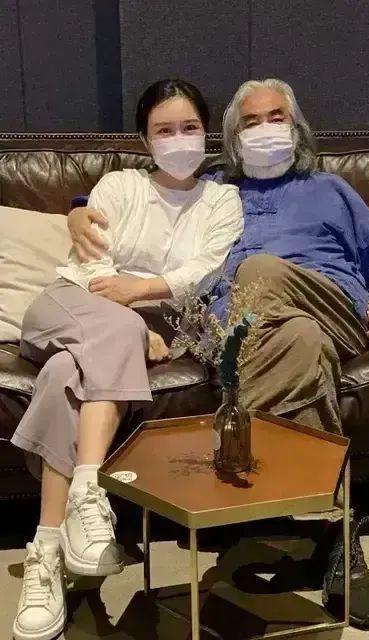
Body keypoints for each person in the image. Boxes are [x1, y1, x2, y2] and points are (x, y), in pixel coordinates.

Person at [67, 78, 369, 629]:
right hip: (244, 327)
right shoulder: (214, 190)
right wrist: (77, 209)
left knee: (261, 274)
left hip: (330, 303)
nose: (265, 130)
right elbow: (143, 200)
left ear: (297, 127)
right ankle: (332, 530)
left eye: (276, 117)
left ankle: (240, 491)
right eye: (250, 122)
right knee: (299, 340)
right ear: (232, 138)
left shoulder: (331, 190)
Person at [10, 78, 243, 640]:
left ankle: (47, 550)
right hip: (69, 304)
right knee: (112, 331)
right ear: (144, 139)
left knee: (64, 376)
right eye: (165, 129)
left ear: (206, 133)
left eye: (190, 127)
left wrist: (141, 296)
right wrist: (134, 320)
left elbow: (206, 270)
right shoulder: (118, 185)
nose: (179, 138)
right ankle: (90, 490)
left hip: (133, 327)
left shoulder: (222, 200)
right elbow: (92, 265)